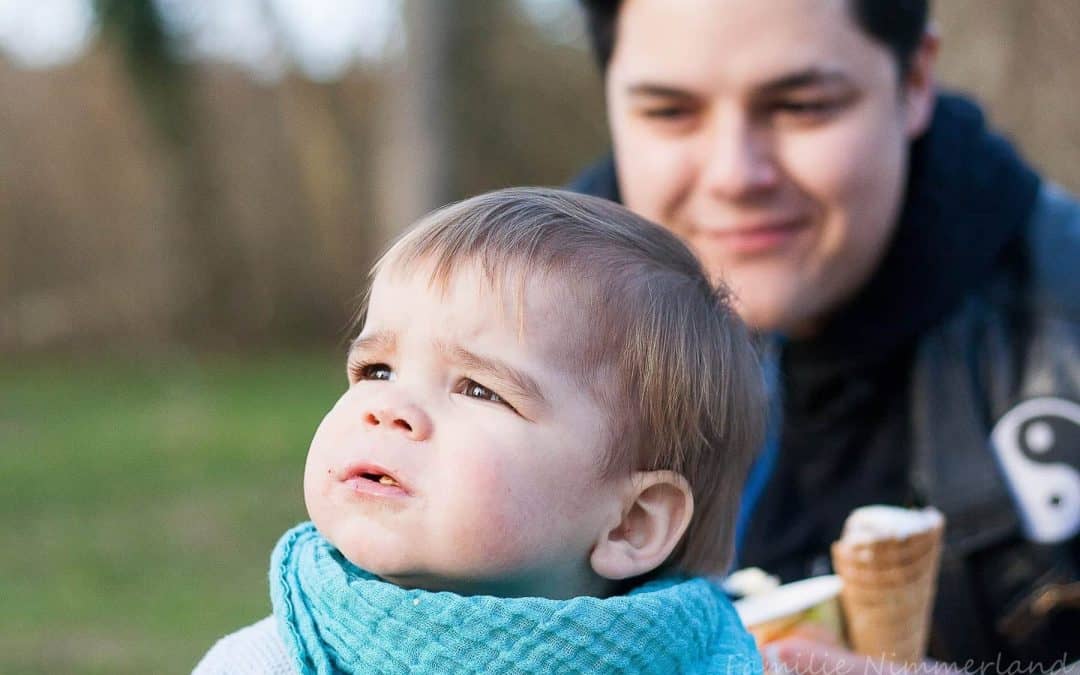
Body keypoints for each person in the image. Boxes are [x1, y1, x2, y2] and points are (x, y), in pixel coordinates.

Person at [570, 0, 1080, 670]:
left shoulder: (1061, 312)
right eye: (670, 111)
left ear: (916, 80)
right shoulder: (503, 337)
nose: (734, 175)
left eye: (802, 106)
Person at [193, 188, 767, 674]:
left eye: (478, 389)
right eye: (376, 370)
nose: (389, 407)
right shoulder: (264, 661)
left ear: (632, 523)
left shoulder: (718, 659)